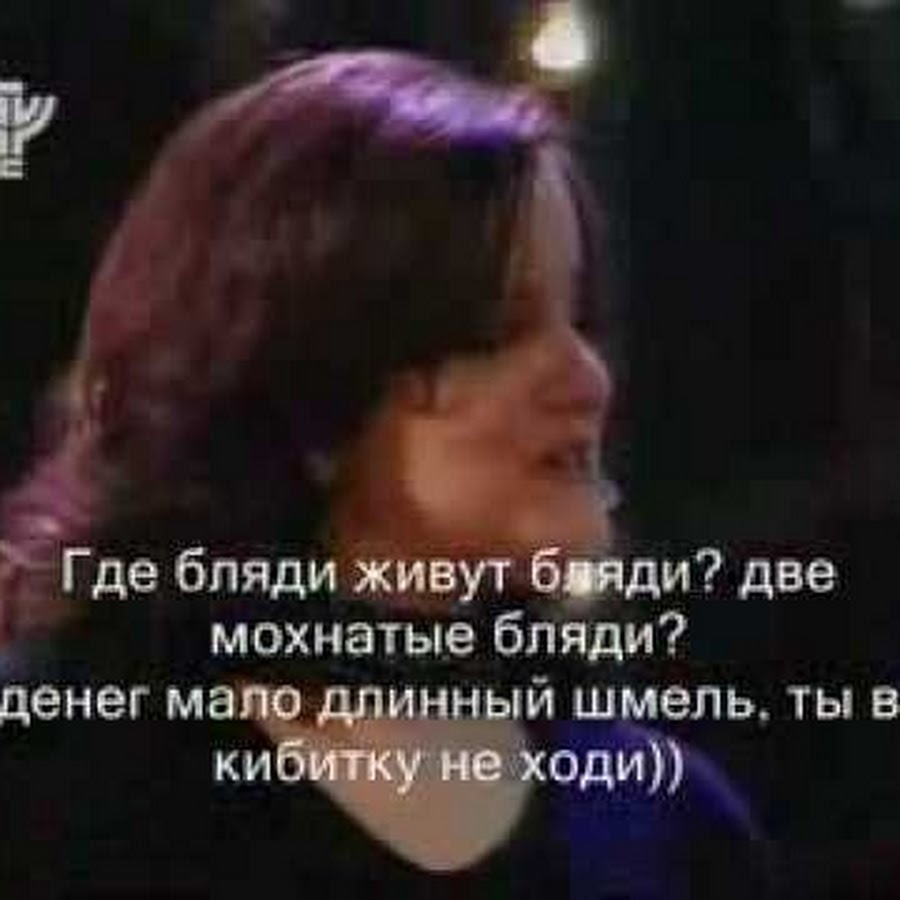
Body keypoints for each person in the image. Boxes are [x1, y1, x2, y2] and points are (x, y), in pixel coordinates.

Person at [0, 50, 767, 898]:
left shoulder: (668, 830)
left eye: (577, 317)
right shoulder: (57, 786)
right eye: (499, 331)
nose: (589, 380)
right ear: (302, 388)